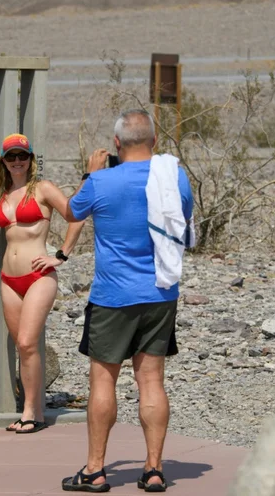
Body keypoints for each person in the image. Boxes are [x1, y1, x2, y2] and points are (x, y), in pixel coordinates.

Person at [57, 109, 194, 493]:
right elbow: (183, 219)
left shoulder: (101, 182)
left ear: (117, 143)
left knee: (103, 381)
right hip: (159, 292)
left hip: (113, 296)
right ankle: (153, 469)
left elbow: (71, 211)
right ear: (154, 141)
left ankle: (96, 469)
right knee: (151, 381)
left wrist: (90, 172)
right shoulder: (174, 178)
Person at [0, 133, 85, 434]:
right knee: (24, 348)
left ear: (30, 159)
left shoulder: (44, 189)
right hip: (9, 280)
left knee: (26, 342)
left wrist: (60, 255)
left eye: (23, 156)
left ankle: (31, 412)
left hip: (39, 277)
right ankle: (34, 411)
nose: (17, 161)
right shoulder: (2, 194)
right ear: (3, 162)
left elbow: (76, 214)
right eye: (11, 157)